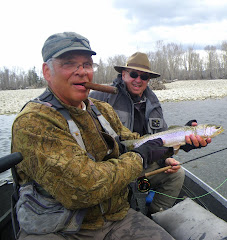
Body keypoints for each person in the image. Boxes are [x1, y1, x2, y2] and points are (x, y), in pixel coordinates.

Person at [11, 32, 176, 240]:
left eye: (87, 65)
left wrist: (176, 143)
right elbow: (84, 187)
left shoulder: (101, 109)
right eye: (70, 64)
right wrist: (140, 157)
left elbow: (133, 142)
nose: (82, 72)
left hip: (114, 218)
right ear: (47, 71)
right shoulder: (33, 122)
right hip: (60, 229)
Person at [89, 52, 211, 215]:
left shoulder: (153, 102)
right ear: (123, 74)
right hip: (112, 167)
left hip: (144, 164)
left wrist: (171, 154)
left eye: (144, 77)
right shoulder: (101, 97)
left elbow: (162, 138)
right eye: (133, 74)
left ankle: (156, 216)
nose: (138, 80)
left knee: (177, 174)